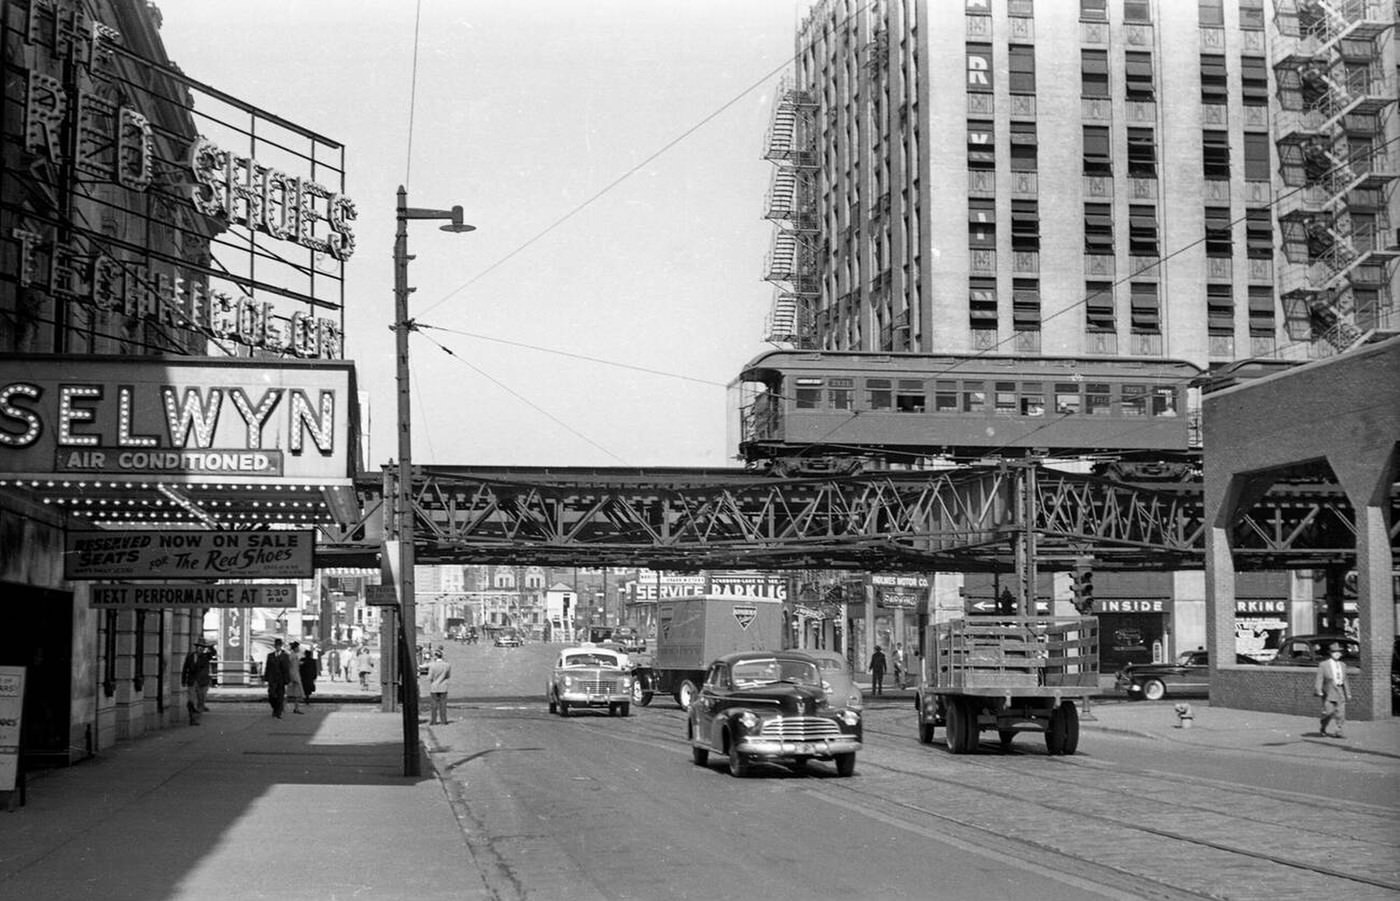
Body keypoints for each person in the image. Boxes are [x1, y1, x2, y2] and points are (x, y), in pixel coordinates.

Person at [1314, 641, 1350, 739]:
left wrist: (1348, 693)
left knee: (1341, 712)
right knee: (1328, 712)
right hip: (1329, 690)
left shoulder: (1343, 665)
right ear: (1330, 653)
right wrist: (1318, 690)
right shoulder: (1324, 665)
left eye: (1339, 652)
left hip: (1340, 690)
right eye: (1335, 652)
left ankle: (1338, 731)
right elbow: (1319, 678)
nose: (1337, 654)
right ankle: (1323, 726)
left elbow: (1345, 679)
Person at [181, 641, 214, 724]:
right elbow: (185, 668)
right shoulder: (190, 656)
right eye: (199, 647)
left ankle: (197, 717)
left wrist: (210, 647)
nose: (201, 649)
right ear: (196, 648)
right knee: (191, 700)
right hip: (192, 681)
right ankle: (192, 718)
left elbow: (213, 653)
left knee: (201, 701)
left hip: (202, 682)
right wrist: (183, 680)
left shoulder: (206, 656)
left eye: (202, 648)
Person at [263, 638, 292, 718]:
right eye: (276, 645)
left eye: (279, 645)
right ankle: (275, 708)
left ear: (281, 646)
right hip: (272, 679)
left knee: (280, 696)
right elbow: (267, 667)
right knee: (271, 696)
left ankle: (278, 712)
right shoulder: (270, 656)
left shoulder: (285, 656)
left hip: (281, 679)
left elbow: (287, 669)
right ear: (274, 646)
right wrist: (266, 678)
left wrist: (287, 680)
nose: (277, 647)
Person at [426, 648, 451, 725]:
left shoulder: (432, 665)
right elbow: (448, 676)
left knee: (434, 705)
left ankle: (434, 721)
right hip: (443, 687)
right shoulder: (447, 665)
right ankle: (443, 721)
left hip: (434, 687)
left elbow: (429, 677)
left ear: (435, 656)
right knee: (443, 705)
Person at [286, 640, 306, 713]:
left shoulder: (294, 655)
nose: (299, 649)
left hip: (295, 675)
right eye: (298, 647)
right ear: (295, 648)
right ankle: (283, 708)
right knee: (291, 694)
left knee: (296, 694)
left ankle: (296, 708)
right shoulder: (293, 655)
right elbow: (290, 666)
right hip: (294, 676)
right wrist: (292, 678)